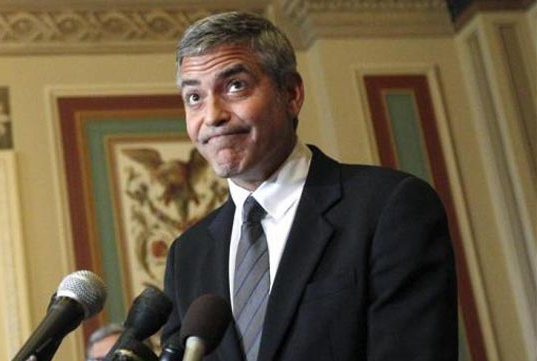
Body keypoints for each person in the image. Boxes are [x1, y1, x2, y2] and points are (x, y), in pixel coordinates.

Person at [161, 11, 458, 361]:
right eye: (194, 97)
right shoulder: (188, 255)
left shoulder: (388, 208)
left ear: (291, 94)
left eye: (235, 86)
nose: (212, 116)